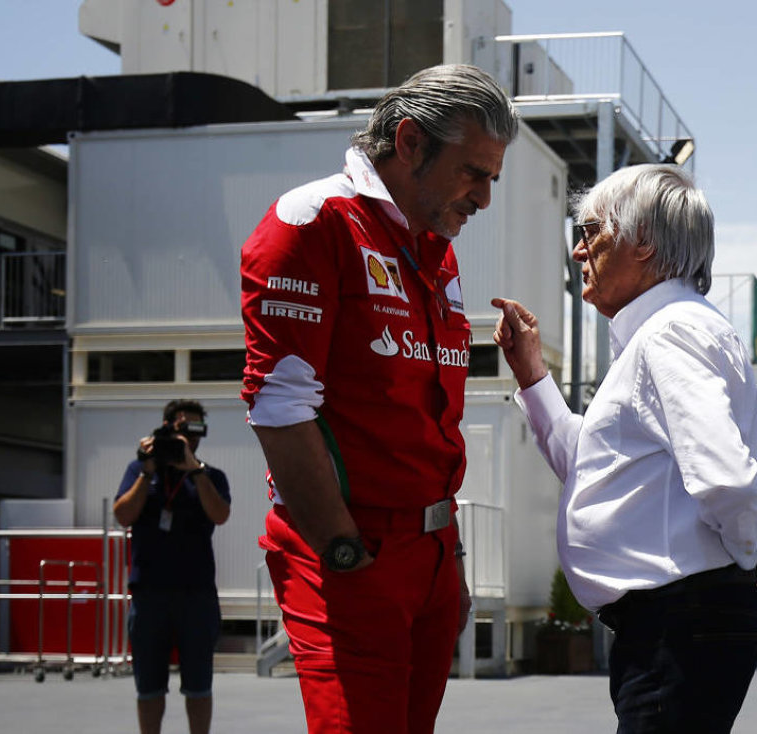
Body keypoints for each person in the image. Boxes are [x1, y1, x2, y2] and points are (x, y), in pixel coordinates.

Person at [240, 64, 518, 734]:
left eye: (493, 180)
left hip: (430, 553)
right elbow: (279, 408)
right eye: (473, 173)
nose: (484, 199)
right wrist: (342, 549)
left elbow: (432, 419)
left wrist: (447, 556)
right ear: (412, 142)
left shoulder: (436, 250)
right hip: (349, 549)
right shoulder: (311, 221)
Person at [491, 164, 757, 733]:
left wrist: (735, 565)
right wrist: (533, 376)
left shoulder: (669, 333)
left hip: (682, 618)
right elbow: (592, 471)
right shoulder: (665, 332)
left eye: (592, 231)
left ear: (642, 243)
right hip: (675, 620)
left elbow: (728, 479)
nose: (578, 251)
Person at [114, 400, 231, 734]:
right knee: (149, 687)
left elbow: (220, 515)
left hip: (196, 595)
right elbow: (123, 516)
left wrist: (194, 469)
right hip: (149, 594)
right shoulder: (140, 471)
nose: (189, 437)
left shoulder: (211, 476)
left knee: (199, 686)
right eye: (182, 429)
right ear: (166, 428)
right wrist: (147, 470)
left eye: (196, 430)